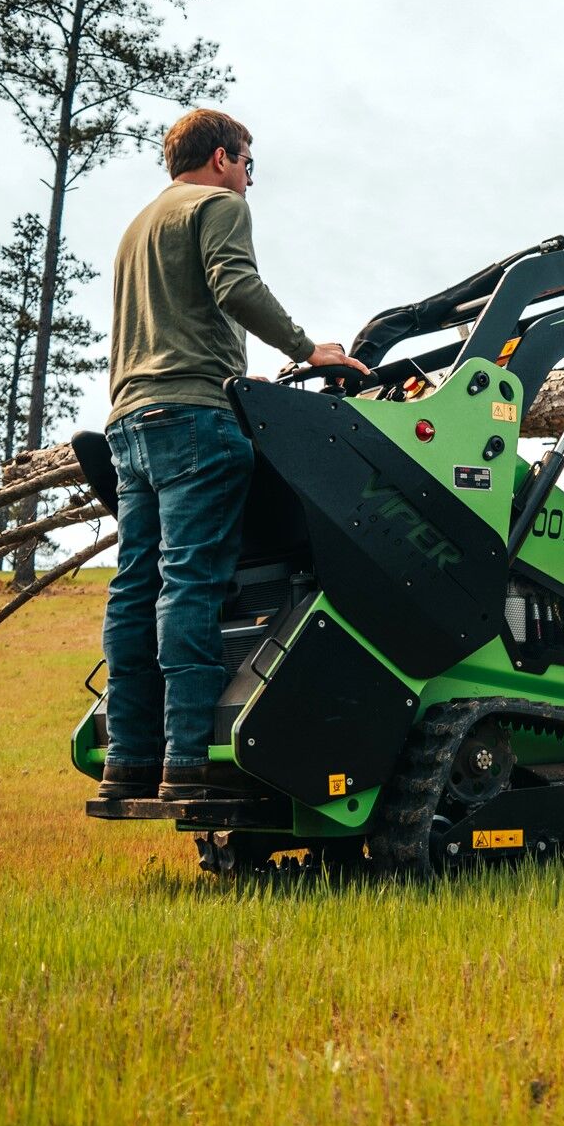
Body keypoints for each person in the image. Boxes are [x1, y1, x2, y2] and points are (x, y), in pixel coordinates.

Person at [96, 108, 367, 802]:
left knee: (135, 588)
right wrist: (309, 350)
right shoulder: (217, 205)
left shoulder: (137, 227)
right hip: (195, 414)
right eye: (248, 163)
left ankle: (129, 753)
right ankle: (188, 754)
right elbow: (235, 286)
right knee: (191, 582)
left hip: (129, 420)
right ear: (221, 158)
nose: (249, 178)